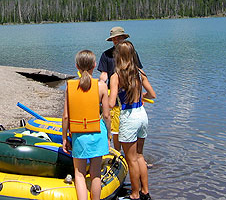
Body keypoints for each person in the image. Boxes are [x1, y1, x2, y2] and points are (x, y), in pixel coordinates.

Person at [109, 41, 156, 200]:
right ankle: (145, 192)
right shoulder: (139, 72)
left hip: (129, 117)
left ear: (118, 56)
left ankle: (135, 194)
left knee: (131, 159)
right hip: (142, 114)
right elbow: (152, 94)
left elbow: (110, 102)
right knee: (140, 156)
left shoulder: (116, 76)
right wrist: (141, 96)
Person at [62, 50, 111, 200]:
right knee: (96, 174)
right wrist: (108, 135)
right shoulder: (101, 86)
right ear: (94, 65)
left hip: (79, 135)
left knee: (80, 174)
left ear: (76, 66)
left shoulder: (70, 87)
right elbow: (107, 115)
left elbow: (65, 117)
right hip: (98, 132)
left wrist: (64, 138)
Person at [97, 26, 143, 151]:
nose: (116, 41)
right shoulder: (106, 55)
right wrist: (99, 88)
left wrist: (141, 92)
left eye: (119, 38)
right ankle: (118, 153)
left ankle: (136, 154)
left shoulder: (132, 53)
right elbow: (104, 75)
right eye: (114, 39)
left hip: (130, 94)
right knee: (115, 127)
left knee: (133, 123)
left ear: (124, 38)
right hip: (114, 94)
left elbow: (139, 72)